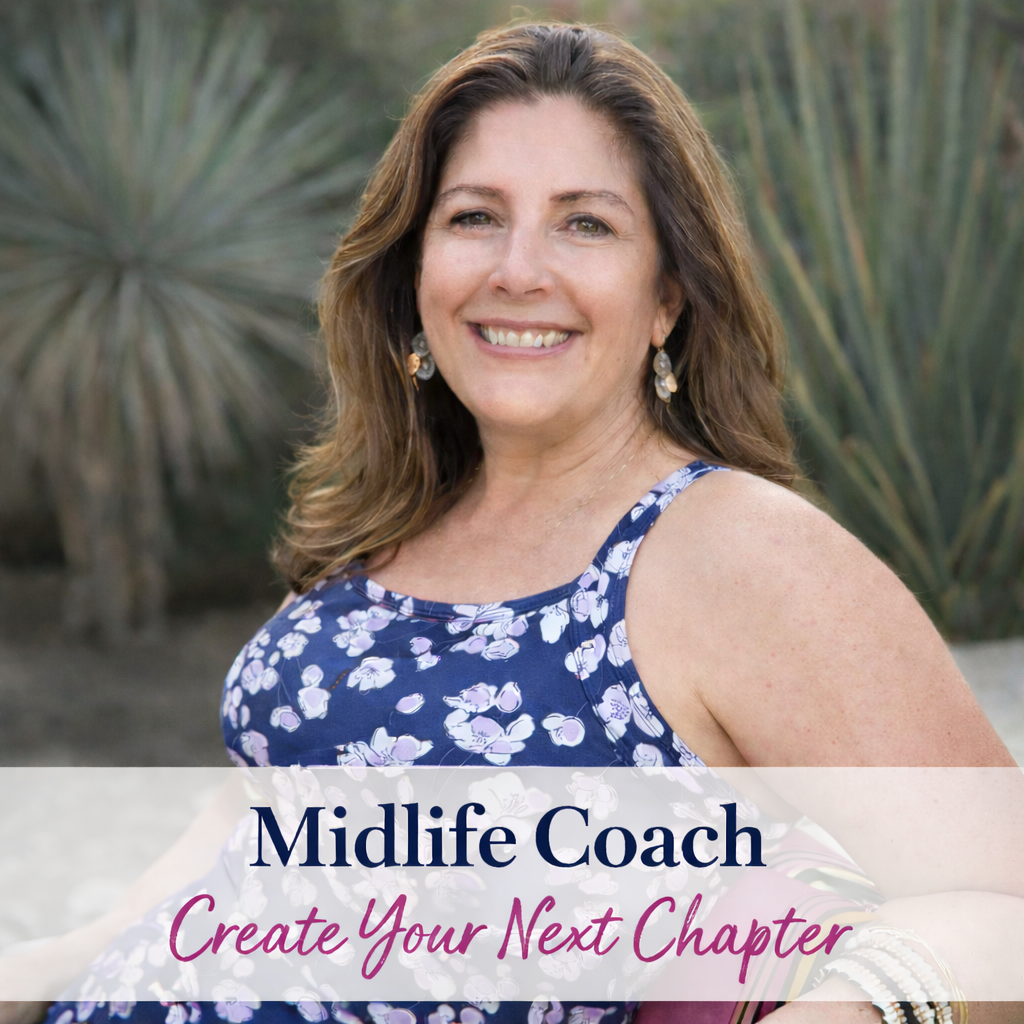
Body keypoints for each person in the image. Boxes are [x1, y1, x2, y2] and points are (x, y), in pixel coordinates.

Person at [9, 20, 1022, 1024]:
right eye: (473, 217)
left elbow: (1002, 903)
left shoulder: (735, 553)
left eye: (585, 223)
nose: (517, 270)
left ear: (666, 297)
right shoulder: (386, 515)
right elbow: (263, 813)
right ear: (415, 273)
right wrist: (44, 970)